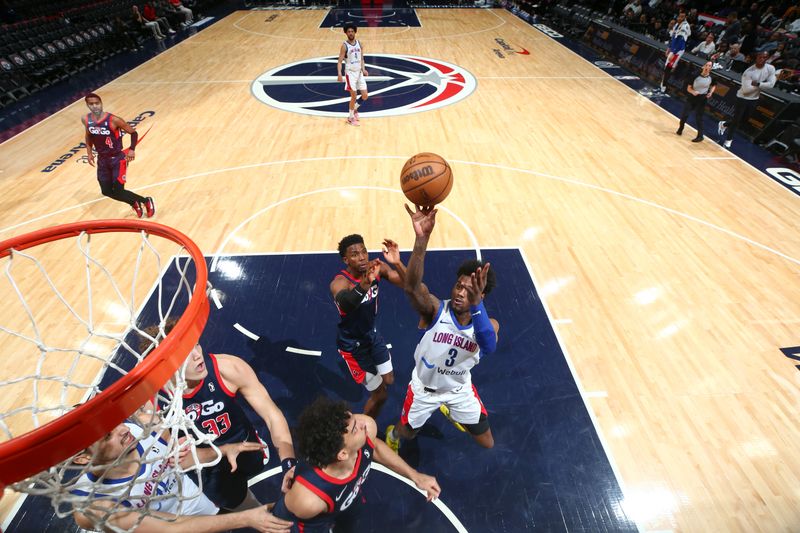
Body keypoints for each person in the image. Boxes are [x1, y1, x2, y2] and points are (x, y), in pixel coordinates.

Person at [141, 320, 296, 512]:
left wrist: (289, 462)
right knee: (246, 507)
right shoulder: (154, 403)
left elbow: (272, 415)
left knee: (255, 471)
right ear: (165, 365)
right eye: (186, 354)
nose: (198, 355)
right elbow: (181, 461)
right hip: (208, 467)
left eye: (195, 344)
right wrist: (223, 450)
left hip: (247, 447)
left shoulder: (227, 368)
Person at [385, 205, 499, 452]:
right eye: (458, 285)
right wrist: (421, 240)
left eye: (468, 290)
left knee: (487, 443)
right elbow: (413, 287)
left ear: (481, 295)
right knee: (406, 434)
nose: (459, 293)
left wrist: (477, 304)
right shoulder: (436, 310)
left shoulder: (488, 325)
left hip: (458, 390)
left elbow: (488, 345)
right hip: (424, 391)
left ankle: (452, 411)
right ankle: (393, 431)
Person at [70, 406, 293, 532]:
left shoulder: (143, 426)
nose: (121, 428)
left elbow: (180, 461)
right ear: (82, 459)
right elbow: (171, 529)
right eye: (108, 435)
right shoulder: (93, 505)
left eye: (114, 420)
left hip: (206, 511)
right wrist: (247, 518)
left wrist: (223, 450)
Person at [271, 396, 440, 532]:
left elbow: (376, 447)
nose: (362, 422)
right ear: (342, 454)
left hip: (348, 499)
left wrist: (414, 475)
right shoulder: (307, 499)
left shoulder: (365, 430)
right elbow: (281, 520)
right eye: (354, 428)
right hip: (313, 522)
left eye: (353, 418)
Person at [330, 235, 406, 418]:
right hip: (353, 346)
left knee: (389, 379)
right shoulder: (340, 282)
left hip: (371, 335)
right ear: (346, 260)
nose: (363, 257)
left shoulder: (376, 268)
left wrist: (398, 263)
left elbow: (408, 283)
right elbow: (346, 304)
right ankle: (366, 429)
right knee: (380, 395)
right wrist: (366, 282)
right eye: (355, 254)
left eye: (364, 251)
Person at [82, 93, 154, 218]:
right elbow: (88, 136)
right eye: (91, 104)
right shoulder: (86, 120)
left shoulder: (114, 120)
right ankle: (134, 203)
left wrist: (132, 149)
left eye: (97, 103)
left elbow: (133, 133)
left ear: (101, 103)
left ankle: (146, 201)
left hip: (117, 159)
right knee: (106, 191)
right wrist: (89, 152)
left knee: (119, 190)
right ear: (87, 105)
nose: (94, 106)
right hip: (102, 160)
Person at [718, 51, 777, 148]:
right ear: (756, 57)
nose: (762, 59)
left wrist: (758, 84)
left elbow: (771, 85)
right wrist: (763, 86)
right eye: (760, 57)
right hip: (742, 97)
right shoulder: (749, 72)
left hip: (754, 98)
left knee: (744, 120)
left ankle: (724, 124)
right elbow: (746, 90)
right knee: (736, 120)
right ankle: (728, 141)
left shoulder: (771, 68)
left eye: (765, 57)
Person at [676, 61, 716, 142]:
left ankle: (700, 136)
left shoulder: (712, 77)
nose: (707, 67)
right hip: (692, 97)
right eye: (706, 65)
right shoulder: (695, 76)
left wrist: (711, 93)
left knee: (699, 118)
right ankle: (681, 128)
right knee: (685, 115)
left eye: (709, 66)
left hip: (702, 99)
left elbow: (714, 85)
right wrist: (693, 92)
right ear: (703, 66)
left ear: (711, 68)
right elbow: (688, 88)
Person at [336, 24, 368, 127]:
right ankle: (350, 118)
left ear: (355, 32)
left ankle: (354, 109)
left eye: (352, 31)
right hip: (350, 74)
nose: (350, 33)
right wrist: (340, 74)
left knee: (365, 95)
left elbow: (361, 58)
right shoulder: (344, 45)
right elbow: (340, 61)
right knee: (353, 96)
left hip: (359, 73)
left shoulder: (359, 43)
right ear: (346, 33)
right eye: (348, 31)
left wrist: (363, 69)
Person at [660, 11, 691, 92]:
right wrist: (669, 48)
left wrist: (673, 53)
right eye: (679, 16)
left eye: (682, 17)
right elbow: (673, 37)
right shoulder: (677, 24)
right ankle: (663, 84)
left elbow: (680, 42)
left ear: (685, 18)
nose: (679, 18)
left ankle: (664, 87)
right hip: (673, 48)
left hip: (678, 50)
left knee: (668, 68)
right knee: (667, 66)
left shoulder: (685, 26)